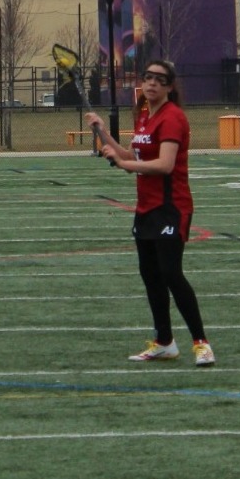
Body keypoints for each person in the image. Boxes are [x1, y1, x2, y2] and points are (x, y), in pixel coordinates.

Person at [84, 60, 215, 367]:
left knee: (171, 273)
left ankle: (201, 343)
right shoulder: (145, 116)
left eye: (160, 79)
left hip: (171, 208)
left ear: (169, 86)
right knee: (151, 277)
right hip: (145, 207)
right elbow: (132, 156)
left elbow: (164, 165)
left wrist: (125, 164)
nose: (152, 83)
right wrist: (102, 132)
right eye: (148, 78)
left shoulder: (172, 118)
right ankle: (164, 342)